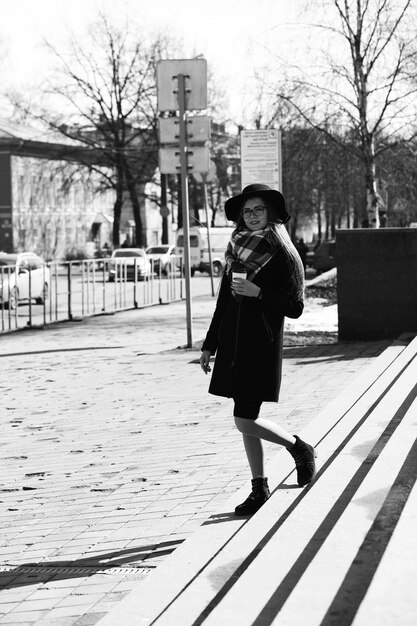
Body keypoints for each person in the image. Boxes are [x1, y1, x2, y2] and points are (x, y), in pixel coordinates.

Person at [200, 183, 317, 516]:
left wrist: (257, 292)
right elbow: (224, 302)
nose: (251, 216)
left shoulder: (282, 255)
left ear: (270, 214)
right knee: (245, 417)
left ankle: (298, 447)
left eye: (258, 210)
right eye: (246, 211)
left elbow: (295, 307)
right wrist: (210, 344)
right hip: (234, 343)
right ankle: (259, 487)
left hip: (260, 345)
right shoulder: (236, 250)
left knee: (244, 418)